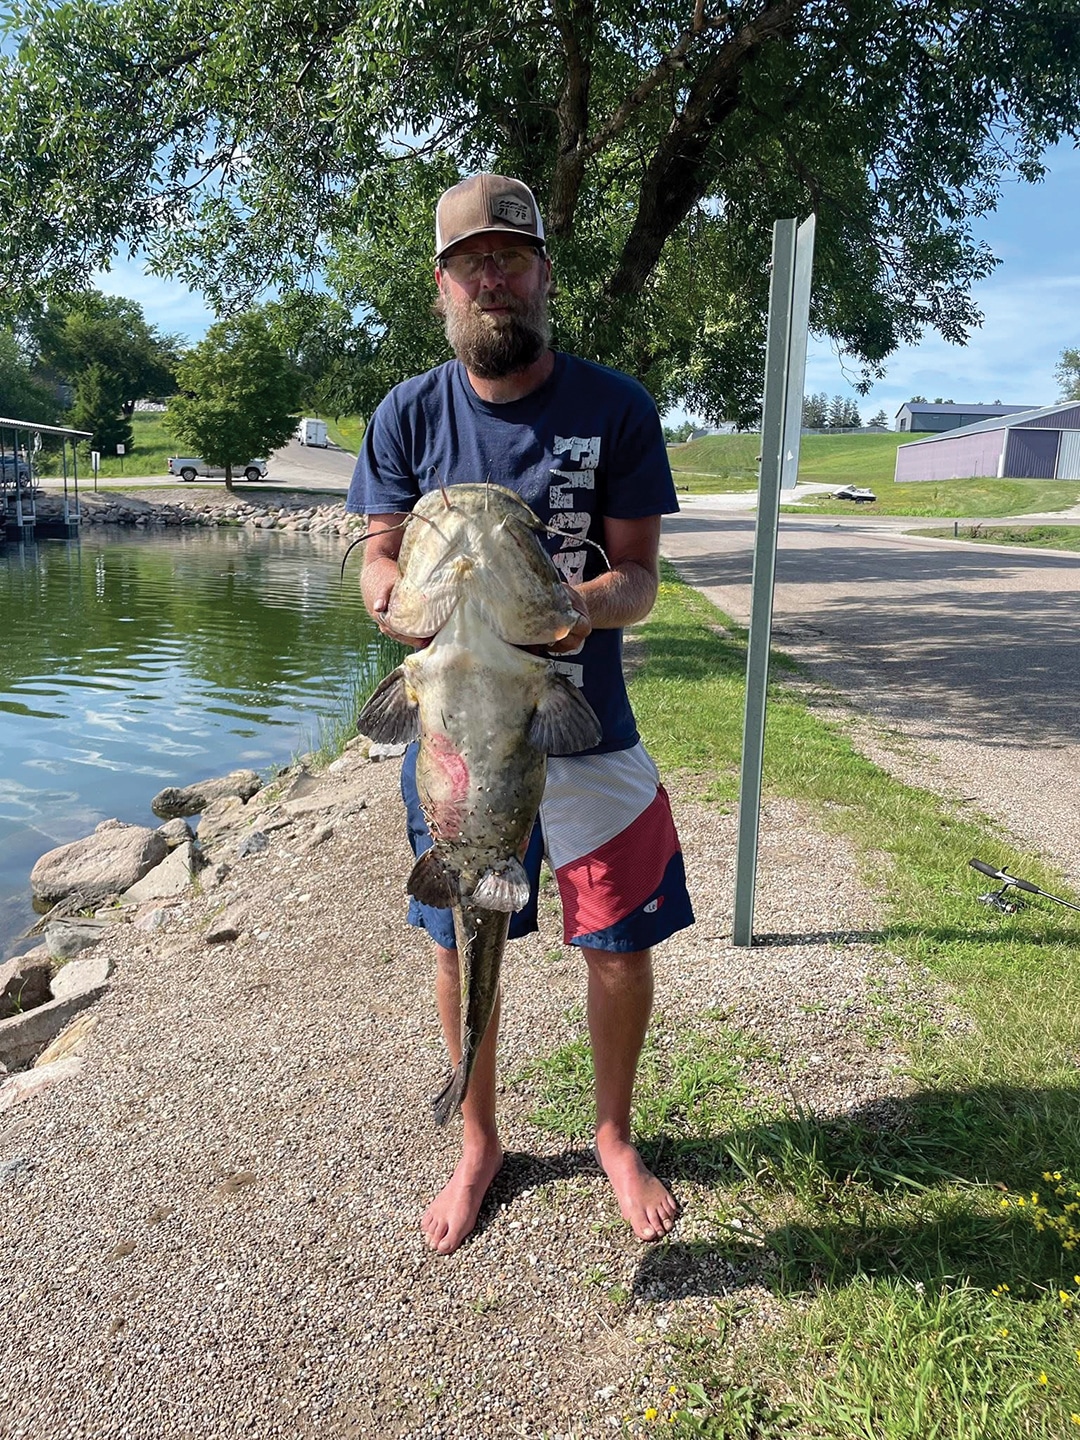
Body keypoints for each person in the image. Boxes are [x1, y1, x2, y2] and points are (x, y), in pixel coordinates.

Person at [347, 173, 694, 1256]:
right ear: (443, 286)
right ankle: (478, 1141)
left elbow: (640, 578)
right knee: (465, 934)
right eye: (469, 263)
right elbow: (377, 559)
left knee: (618, 945)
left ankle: (613, 1134)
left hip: (583, 722)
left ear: (543, 273)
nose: (490, 277)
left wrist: (573, 608)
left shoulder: (616, 408)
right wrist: (391, 604)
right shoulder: (407, 415)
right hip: (455, 738)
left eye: (509, 258)